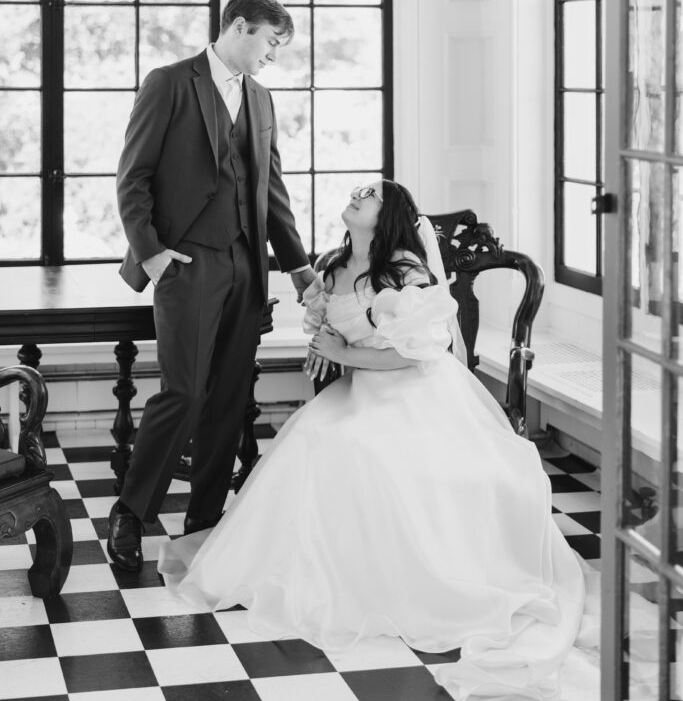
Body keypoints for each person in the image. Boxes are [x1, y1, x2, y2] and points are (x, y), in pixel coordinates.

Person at [158, 179, 600, 700]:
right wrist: (326, 337)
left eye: (369, 194)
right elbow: (329, 328)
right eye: (358, 190)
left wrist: (341, 353)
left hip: (418, 394)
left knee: (368, 453)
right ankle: (318, 569)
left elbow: (418, 354)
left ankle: (397, 580)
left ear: (387, 215)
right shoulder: (332, 267)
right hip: (362, 388)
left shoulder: (404, 273)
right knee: (313, 442)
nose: (356, 195)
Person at [109, 0, 315, 573]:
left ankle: (204, 520)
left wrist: (298, 268)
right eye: (272, 42)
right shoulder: (170, 82)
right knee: (185, 392)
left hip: (247, 266)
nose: (274, 54)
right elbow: (133, 177)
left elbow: (270, 193)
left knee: (228, 397)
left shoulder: (262, 98)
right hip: (187, 262)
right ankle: (130, 510)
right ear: (240, 26)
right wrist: (152, 256)